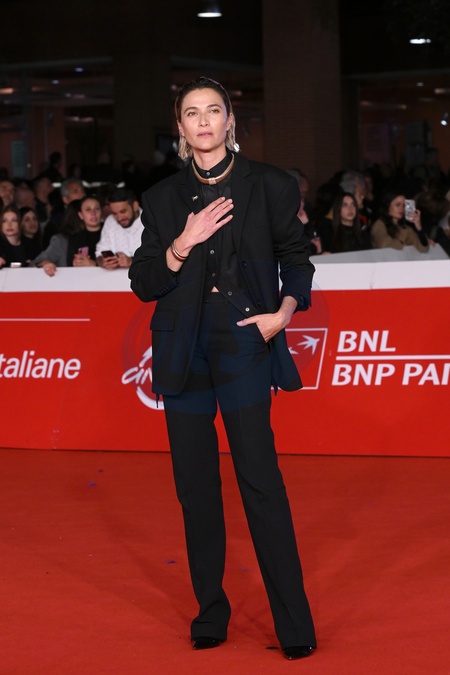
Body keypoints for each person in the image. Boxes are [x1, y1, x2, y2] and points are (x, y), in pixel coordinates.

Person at [129, 77, 316, 660]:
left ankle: (294, 626)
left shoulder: (271, 185)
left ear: (230, 120)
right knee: (196, 488)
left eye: (214, 110)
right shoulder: (161, 198)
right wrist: (181, 244)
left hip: (244, 343)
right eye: (192, 113)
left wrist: (283, 313)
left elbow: (297, 260)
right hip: (183, 349)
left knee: (260, 481)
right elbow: (144, 282)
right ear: (180, 128)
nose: (204, 120)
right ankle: (211, 611)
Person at [31, 200, 83, 276]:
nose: (93, 214)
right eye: (88, 211)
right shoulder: (61, 241)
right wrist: (45, 263)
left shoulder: (99, 237)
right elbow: (36, 262)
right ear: (79, 215)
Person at [95, 187, 142, 269]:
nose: (119, 218)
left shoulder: (151, 221)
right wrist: (103, 261)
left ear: (135, 206)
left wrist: (132, 261)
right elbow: (100, 252)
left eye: (123, 211)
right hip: (113, 276)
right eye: (114, 213)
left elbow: (159, 256)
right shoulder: (110, 221)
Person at [67, 195, 103, 266]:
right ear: (81, 215)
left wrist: (94, 265)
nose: (93, 213)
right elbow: (69, 265)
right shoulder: (75, 239)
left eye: (97, 209)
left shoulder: (112, 234)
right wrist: (75, 263)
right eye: (88, 210)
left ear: (101, 212)